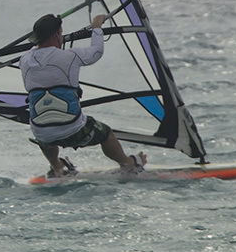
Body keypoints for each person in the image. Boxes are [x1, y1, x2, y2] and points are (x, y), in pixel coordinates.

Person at [20, 13, 147, 178]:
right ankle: (128, 164)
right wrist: (97, 28)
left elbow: (36, 50)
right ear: (57, 34)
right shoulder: (70, 56)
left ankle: (57, 167)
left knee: (46, 133)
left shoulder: (24, 59)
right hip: (73, 128)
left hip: (41, 132)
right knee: (105, 133)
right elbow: (96, 51)